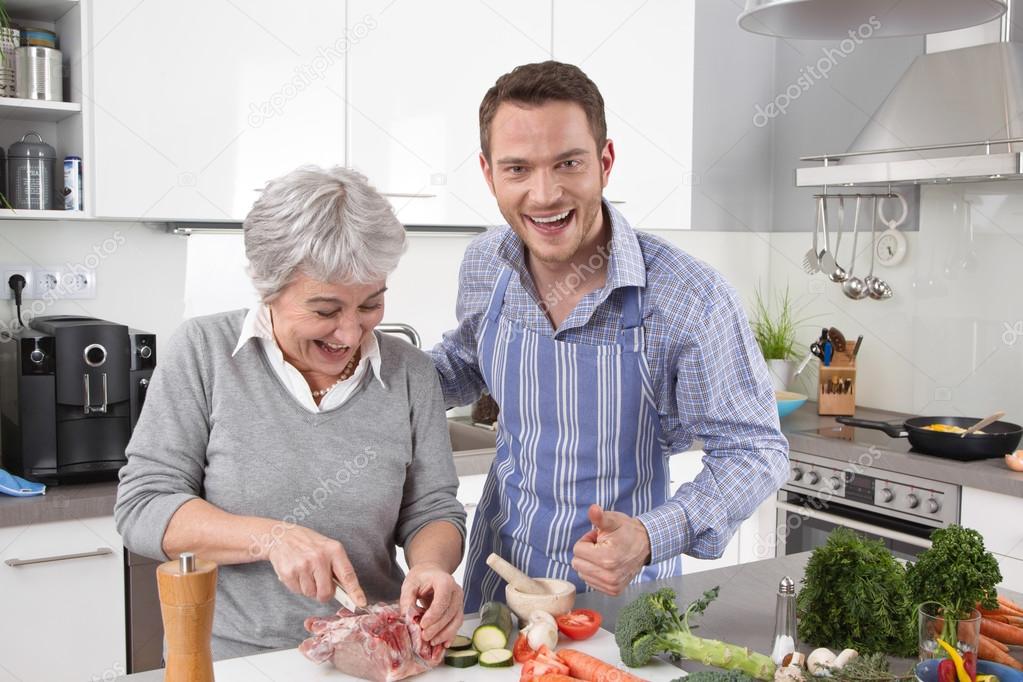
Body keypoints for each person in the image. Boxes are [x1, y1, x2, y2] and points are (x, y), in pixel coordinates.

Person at [430, 61, 790, 611]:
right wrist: (364, 361)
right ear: (488, 174)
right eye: (518, 169)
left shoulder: (689, 297)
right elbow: (466, 360)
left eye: (568, 163)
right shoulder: (486, 264)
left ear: (605, 162)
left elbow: (755, 450)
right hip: (496, 588)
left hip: (621, 605)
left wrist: (650, 536)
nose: (544, 194)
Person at [115, 165, 466, 659]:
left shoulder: (409, 372)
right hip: (233, 660)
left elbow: (432, 509)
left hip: (375, 654)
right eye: (324, 311)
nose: (349, 334)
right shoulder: (203, 352)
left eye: (370, 305)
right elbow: (143, 506)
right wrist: (271, 538)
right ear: (268, 287)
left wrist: (432, 568)